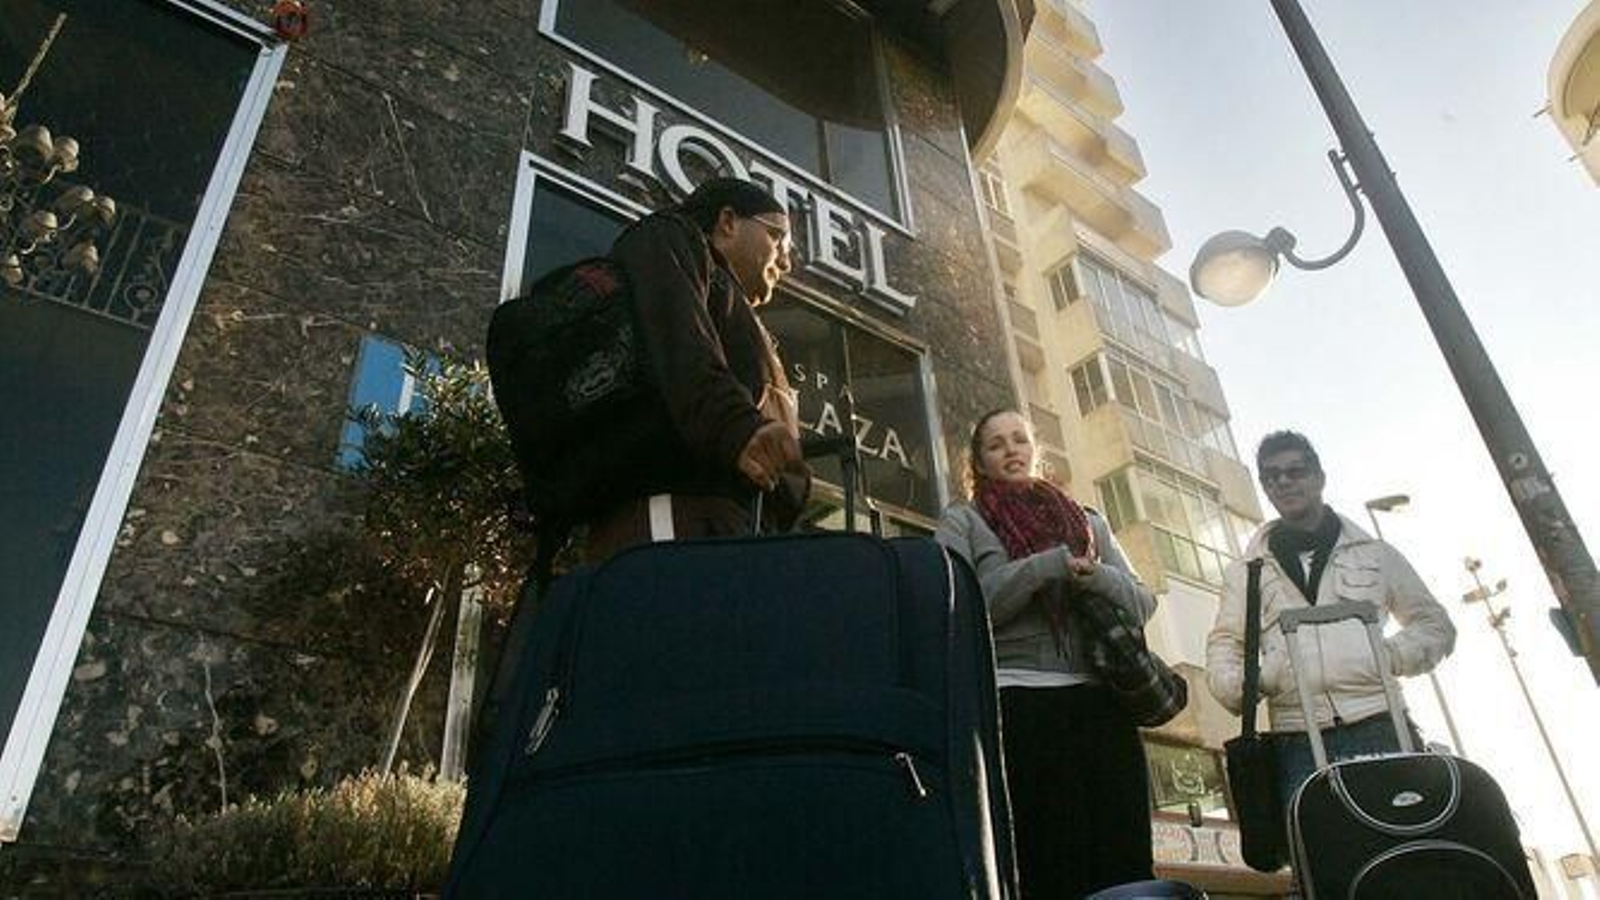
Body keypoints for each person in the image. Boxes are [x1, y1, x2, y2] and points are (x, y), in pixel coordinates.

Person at [935, 409, 1158, 899]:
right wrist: (1044, 567)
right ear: (979, 461)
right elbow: (953, 607)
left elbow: (1142, 604)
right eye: (996, 444)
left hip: (1102, 708)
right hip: (1019, 709)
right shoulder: (965, 521)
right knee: (1048, 862)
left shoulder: (1086, 519)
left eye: (1019, 439)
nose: (1011, 449)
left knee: (1122, 863)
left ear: (1035, 450)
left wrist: (1093, 573)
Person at [1206, 430, 1456, 804]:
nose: (1284, 482)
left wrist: (1386, 657)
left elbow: (1435, 626)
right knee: (1320, 851)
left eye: (1296, 471)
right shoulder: (1246, 571)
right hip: (1296, 736)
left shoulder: (1375, 554)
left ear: (1319, 478)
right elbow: (1225, 644)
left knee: (1397, 846)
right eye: (1272, 476)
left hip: (1380, 722)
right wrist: (1252, 681)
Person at [584, 178, 809, 560]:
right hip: (677, 513)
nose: (785, 262)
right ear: (728, 221)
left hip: (737, 523)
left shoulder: (737, 310)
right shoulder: (667, 239)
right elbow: (680, 344)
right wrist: (738, 429)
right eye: (777, 238)